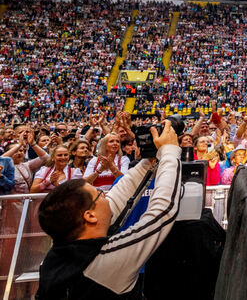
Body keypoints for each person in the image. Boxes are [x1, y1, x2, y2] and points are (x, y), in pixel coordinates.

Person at [36, 120, 182, 299]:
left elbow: (119, 195)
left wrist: (149, 160)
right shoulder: (104, 262)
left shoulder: (56, 256)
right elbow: (162, 212)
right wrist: (170, 152)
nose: (106, 195)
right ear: (90, 216)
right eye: (99, 194)